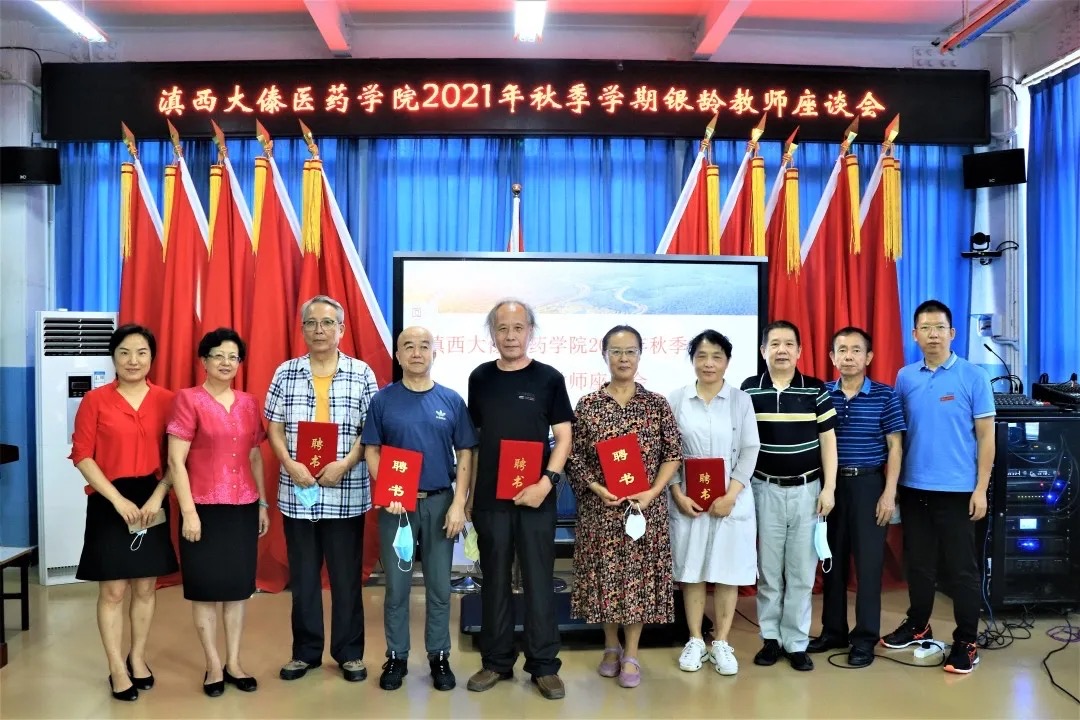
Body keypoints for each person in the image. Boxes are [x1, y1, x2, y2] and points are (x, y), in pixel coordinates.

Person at [265, 295, 379, 683]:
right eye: (312, 323)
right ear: (302, 330)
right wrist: (289, 463)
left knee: (346, 579)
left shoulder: (361, 373)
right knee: (304, 579)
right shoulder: (286, 373)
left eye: (328, 323)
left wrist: (345, 464)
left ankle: (349, 653)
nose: (319, 330)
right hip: (299, 492)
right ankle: (305, 652)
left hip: (346, 492)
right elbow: (274, 427)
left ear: (341, 329)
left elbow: (370, 430)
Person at [464, 299, 574, 700]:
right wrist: (470, 495)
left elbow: (564, 437)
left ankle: (544, 665)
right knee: (493, 580)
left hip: (536, 497)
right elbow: (474, 441)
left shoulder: (549, 378)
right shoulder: (480, 378)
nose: (510, 336)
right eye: (502, 328)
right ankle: (496, 661)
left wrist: (547, 482)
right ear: (492, 334)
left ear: (530, 331)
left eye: (518, 328)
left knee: (538, 580)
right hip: (491, 499)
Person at [361, 326, 478, 693]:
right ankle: (396, 655)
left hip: (441, 503)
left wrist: (459, 503)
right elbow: (372, 450)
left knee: (440, 586)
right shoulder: (383, 401)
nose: (416, 353)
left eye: (424, 346)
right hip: (398, 507)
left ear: (434, 353)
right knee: (396, 587)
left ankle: (439, 655)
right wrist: (386, 490)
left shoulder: (451, 400)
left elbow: (466, 453)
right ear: (398, 355)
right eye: (408, 346)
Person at [882, 300, 995, 675]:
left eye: (940, 327)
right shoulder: (905, 377)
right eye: (926, 328)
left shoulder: (973, 376)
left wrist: (981, 488)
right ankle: (918, 625)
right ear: (915, 335)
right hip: (914, 488)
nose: (933, 334)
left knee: (962, 569)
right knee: (919, 565)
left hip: (958, 490)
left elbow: (986, 437)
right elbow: (898, 435)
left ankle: (967, 641)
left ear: (952, 333)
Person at [567, 325, 682, 688]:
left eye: (630, 351)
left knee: (638, 581)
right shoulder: (588, 405)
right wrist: (596, 488)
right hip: (601, 509)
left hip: (644, 510)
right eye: (616, 351)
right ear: (604, 356)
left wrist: (653, 491)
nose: (623, 358)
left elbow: (673, 454)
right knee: (605, 579)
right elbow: (574, 457)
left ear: (640, 356)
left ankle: (631, 652)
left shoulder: (656, 404)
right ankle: (610, 646)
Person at [70, 324, 178, 702]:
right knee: (113, 590)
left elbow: (177, 458)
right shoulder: (95, 400)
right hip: (108, 499)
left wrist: (158, 495)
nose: (133, 360)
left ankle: (138, 657)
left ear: (152, 358)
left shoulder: (168, 400)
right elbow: (82, 455)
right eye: (124, 352)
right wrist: (117, 500)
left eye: (141, 353)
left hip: (152, 497)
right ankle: (117, 667)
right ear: (113, 357)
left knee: (146, 586)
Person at [166, 328, 270, 696]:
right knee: (206, 589)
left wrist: (262, 503)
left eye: (233, 357)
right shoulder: (188, 400)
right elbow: (176, 461)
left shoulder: (249, 403)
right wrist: (189, 512)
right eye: (218, 355)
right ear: (204, 360)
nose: (226, 363)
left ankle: (234, 662)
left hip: (242, 507)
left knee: (237, 590)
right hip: (203, 509)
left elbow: (255, 456)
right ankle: (212, 664)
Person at [741, 320, 837, 672]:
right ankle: (770, 639)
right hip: (764, 489)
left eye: (788, 344)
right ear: (763, 350)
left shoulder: (815, 389)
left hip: (808, 492)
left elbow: (828, 440)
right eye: (774, 344)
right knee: (769, 571)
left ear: (799, 351)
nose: (781, 350)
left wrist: (829, 488)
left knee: (801, 572)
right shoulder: (749, 390)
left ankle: (796, 642)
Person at [807, 327, 905, 668]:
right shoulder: (821, 394)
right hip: (831, 488)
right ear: (832, 357)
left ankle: (864, 638)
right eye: (842, 350)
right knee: (831, 562)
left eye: (856, 350)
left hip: (869, 486)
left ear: (869, 357)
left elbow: (895, 447)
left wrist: (889, 494)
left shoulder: (885, 395)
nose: (848, 356)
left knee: (868, 566)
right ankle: (833, 631)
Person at [668, 330, 760, 677]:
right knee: (691, 570)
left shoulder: (740, 401)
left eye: (716, 356)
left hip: (730, 500)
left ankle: (721, 641)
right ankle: (695, 639)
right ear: (692, 360)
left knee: (727, 571)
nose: (709, 363)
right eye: (701, 356)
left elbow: (750, 449)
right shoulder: (676, 399)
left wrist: (731, 495)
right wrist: (677, 493)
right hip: (689, 501)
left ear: (727, 361)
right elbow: (667, 453)